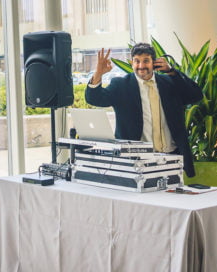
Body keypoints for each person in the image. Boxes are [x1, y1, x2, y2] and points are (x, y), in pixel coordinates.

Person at [85, 42, 203, 178]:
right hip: (137, 161)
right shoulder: (121, 85)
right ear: (132, 63)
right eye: (137, 61)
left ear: (154, 62)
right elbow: (95, 99)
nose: (141, 66)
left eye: (146, 61)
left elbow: (196, 95)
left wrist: (172, 71)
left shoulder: (169, 82)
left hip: (172, 158)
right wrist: (98, 74)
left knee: (173, 198)